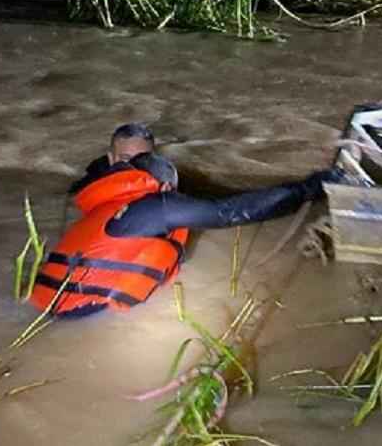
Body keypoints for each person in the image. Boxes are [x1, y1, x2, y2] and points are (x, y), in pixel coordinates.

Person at [31, 150, 348, 319]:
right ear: (165, 187)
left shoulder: (105, 207)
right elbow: (230, 212)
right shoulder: (156, 207)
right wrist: (309, 187)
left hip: (45, 305)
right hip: (89, 312)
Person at [68, 122, 156, 194]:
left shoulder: (163, 181)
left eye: (142, 158)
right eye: (125, 158)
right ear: (111, 159)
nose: (134, 165)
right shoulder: (90, 185)